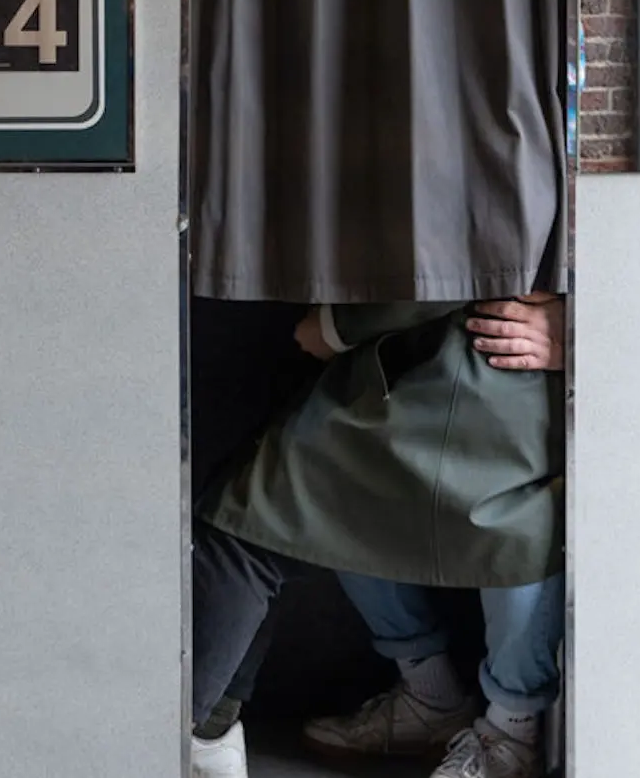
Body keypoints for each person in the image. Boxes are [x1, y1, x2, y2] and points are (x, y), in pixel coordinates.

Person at [189, 295, 567, 778]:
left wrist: (335, 326)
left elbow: (451, 255)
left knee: (521, 533)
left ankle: (511, 733)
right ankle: (431, 697)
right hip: (435, 363)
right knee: (324, 502)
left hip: (491, 376)